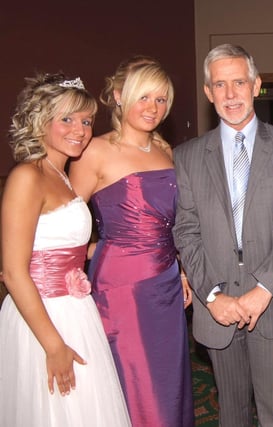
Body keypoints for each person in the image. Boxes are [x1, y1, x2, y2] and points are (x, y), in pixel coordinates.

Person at [68, 57, 194, 427]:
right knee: (138, 384)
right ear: (120, 97)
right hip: (122, 288)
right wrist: (92, 252)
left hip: (167, 284)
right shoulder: (94, 151)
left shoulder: (167, 151)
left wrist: (183, 270)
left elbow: (176, 224)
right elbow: (69, 224)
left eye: (161, 100)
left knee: (169, 381)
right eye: (144, 98)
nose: (153, 108)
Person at [172, 44, 273, 427]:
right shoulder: (187, 156)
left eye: (239, 82)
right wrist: (211, 296)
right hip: (216, 307)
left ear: (256, 85)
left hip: (270, 302)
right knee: (232, 414)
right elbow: (185, 230)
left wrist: (264, 288)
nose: (230, 94)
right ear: (208, 93)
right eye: (219, 85)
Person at [0, 73, 131, 426]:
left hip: (76, 312)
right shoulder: (27, 177)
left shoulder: (61, 176)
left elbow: (58, 246)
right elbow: (13, 272)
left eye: (87, 121)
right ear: (42, 121)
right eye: (67, 119)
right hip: (41, 317)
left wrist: (115, 248)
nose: (81, 129)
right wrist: (53, 345)